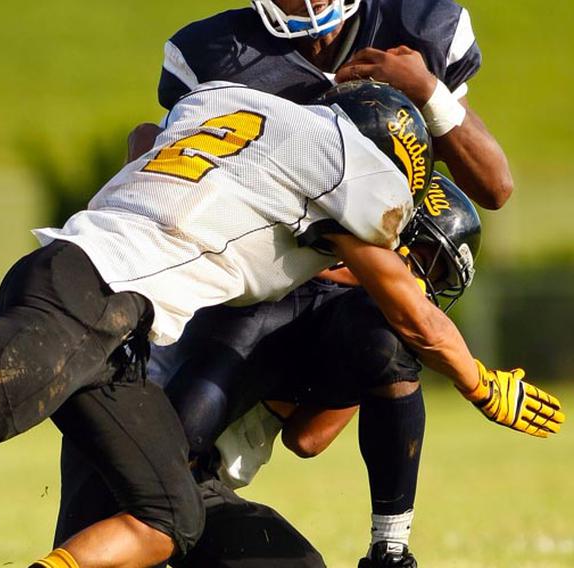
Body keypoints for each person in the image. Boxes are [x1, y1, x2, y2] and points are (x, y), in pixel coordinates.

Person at [0, 81, 563, 568]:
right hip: (91, 293)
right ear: (387, 162)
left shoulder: (229, 103)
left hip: (117, 327)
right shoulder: (356, 168)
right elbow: (403, 303)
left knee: (166, 515)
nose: (396, 226)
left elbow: (152, 146)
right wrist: (483, 385)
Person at [124, 1, 515, 563]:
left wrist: (427, 91)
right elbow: (154, 147)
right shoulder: (214, 51)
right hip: (260, 280)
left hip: (357, 284)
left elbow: (495, 187)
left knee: (386, 339)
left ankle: (391, 549)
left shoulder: (419, 24)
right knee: (177, 442)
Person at [52, 173, 482, 568]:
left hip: (194, 481)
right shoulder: (284, 268)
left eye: (437, 277)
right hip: (135, 450)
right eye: (424, 259)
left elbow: (308, 439)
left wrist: (364, 363)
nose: (424, 286)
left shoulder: (350, 320)